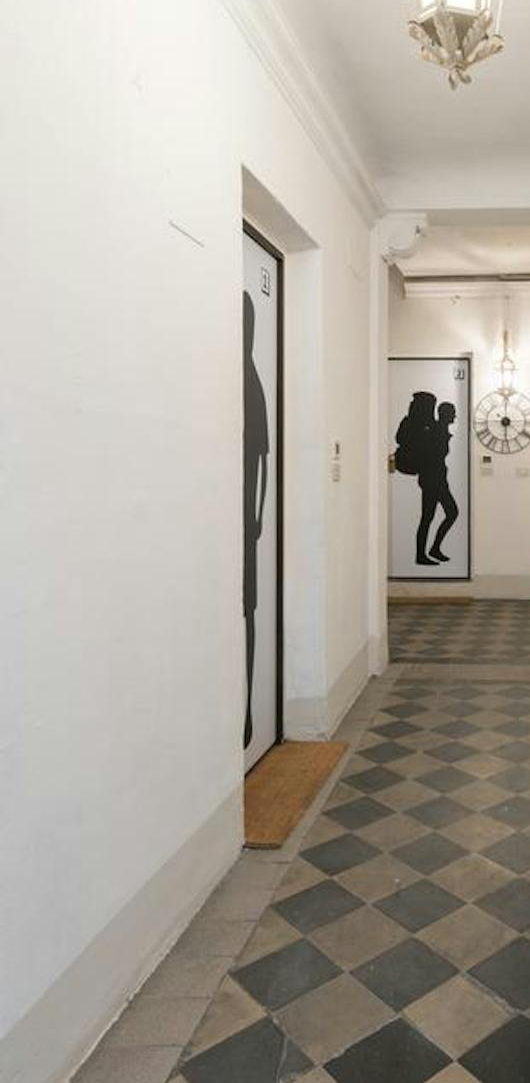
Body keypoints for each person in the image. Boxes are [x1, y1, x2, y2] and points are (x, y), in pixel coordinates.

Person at [242, 291, 269, 748]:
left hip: (245, 521)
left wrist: (258, 517)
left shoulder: (251, 381)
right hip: (246, 518)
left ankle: (246, 710)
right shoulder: (248, 379)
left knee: (247, 611)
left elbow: (261, 460)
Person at [416, 399, 460, 565]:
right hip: (432, 479)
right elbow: (431, 455)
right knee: (431, 517)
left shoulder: (439, 430)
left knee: (437, 515)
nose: (455, 416)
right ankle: (422, 554)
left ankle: (432, 549)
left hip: (437, 479)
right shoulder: (436, 431)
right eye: (452, 413)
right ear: (445, 414)